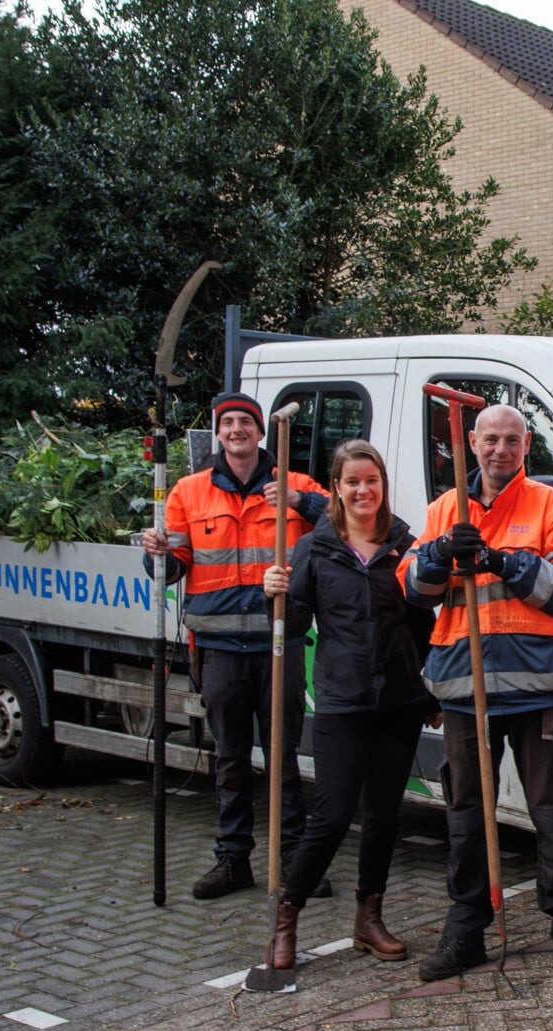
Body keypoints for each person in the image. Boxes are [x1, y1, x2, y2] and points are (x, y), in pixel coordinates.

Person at [397, 403, 553, 984]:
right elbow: (414, 589)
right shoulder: (446, 509)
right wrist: (439, 554)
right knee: (465, 815)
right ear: (472, 442)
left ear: (526, 445)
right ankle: (465, 928)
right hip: (464, 688)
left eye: (511, 441)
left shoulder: (550, 507)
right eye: (490, 440)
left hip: (536, 690)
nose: (500, 450)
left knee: (552, 812)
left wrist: (498, 560)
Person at [259, 440, 437, 972]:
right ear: (336, 488)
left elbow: (424, 623)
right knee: (331, 816)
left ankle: (369, 919)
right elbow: (291, 628)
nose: (364, 490)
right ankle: (286, 920)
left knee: (384, 816)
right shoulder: (317, 547)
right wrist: (275, 595)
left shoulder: (406, 544)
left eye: (372, 480)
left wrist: (421, 684)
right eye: (352, 481)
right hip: (341, 699)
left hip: (399, 702)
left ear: (383, 485)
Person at [141, 391, 327, 901]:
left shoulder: (293, 482)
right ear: (218, 434)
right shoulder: (187, 491)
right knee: (229, 756)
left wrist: (299, 501)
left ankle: (293, 860)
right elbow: (173, 568)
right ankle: (233, 859)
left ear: (261, 432)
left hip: (279, 643)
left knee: (283, 757)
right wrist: (157, 553)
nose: (238, 430)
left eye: (246, 422)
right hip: (220, 647)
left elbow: (348, 521)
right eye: (228, 424)